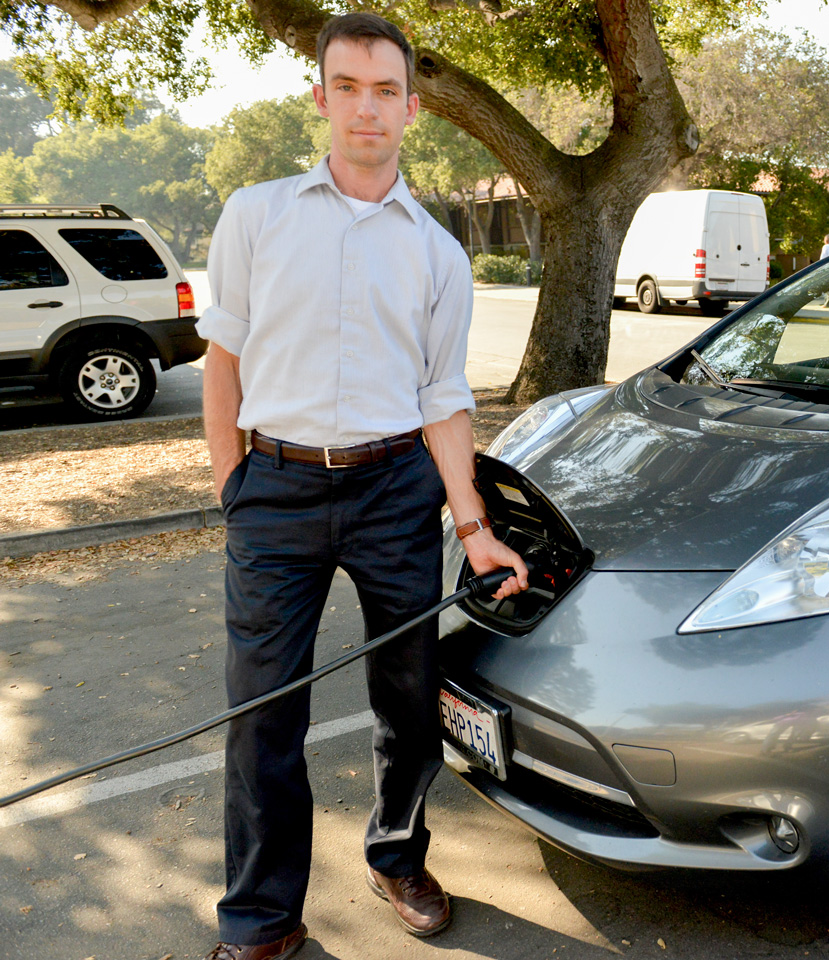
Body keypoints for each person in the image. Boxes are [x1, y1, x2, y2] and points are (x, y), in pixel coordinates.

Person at [196, 12, 527, 960]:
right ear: (321, 97)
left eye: (386, 91)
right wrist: (233, 482)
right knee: (261, 711)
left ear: (412, 108)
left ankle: (396, 853)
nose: (367, 108)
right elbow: (223, 359)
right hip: (275, 488)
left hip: (395, 492)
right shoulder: (255, 215)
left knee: (409, 696)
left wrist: (473, 529)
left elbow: (444, 399)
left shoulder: (438, 252)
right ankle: (262, 916)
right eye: (348, 86)